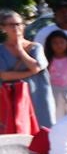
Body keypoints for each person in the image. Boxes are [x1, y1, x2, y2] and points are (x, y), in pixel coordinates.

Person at [0, 8, 43, 136]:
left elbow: (36, 66)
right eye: (12, 25)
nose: (17, 28)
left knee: (39, 131)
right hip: (9, 97)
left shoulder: (35, 47)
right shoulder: (1, 50)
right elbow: (4, 75)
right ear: (3, 28)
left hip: (36, 96)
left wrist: (20, 50)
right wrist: (31, 72)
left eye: (19, 24)